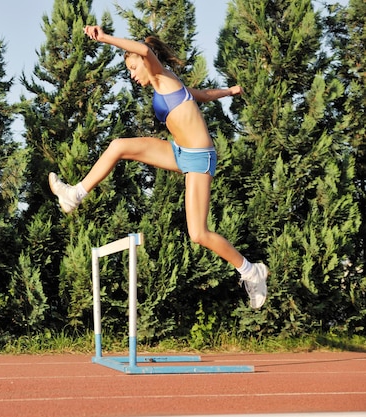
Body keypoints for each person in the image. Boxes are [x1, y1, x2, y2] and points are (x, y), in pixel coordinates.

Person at [49, 25, 268, 309]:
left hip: (199, 158)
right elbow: (199, 95)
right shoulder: (166, 81)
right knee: (118, 146)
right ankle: (75, 194)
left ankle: (252, 271)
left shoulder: (158, 73)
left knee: (198, 234)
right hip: (179, 152)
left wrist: (103, 39)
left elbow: (143, 50)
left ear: (145, 62)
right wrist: (228, 91)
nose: (132, 74)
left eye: (132, 68)